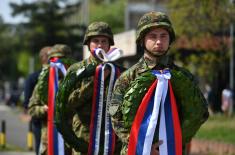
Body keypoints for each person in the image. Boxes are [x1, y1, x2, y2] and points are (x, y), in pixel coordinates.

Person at [109, 11, 209, 155]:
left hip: (173, 150)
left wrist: (175, 140)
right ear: (142, 40)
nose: (159, 41)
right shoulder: (128, 78)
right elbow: (116, 119)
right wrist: (144, 145)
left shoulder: (184, 77)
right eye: (153, 36)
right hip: (137, 150)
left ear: (170, 39)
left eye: (163, 36)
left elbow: (200, 112)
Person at [55, 21, 125, 155]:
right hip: (84, 137)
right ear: (88, 44)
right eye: (95, 41)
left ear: (109, 44)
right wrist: (95, 82)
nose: (100, 45)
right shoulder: (76, 70)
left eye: (104, 41)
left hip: (113, 140)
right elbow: (68, 104)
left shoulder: (119, 71)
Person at [28, 44, 76, 155]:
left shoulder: (77, 81)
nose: (59, 64)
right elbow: (31, 108)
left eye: (63, 60)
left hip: (72, 142)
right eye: (55, 61)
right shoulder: (44, 84)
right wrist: (44, 109)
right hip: (49, 142)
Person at [23, 46, 50, 155]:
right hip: (39, 123)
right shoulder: (33, 77)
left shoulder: (62, 75)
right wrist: (42, 109)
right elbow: (27, 104)